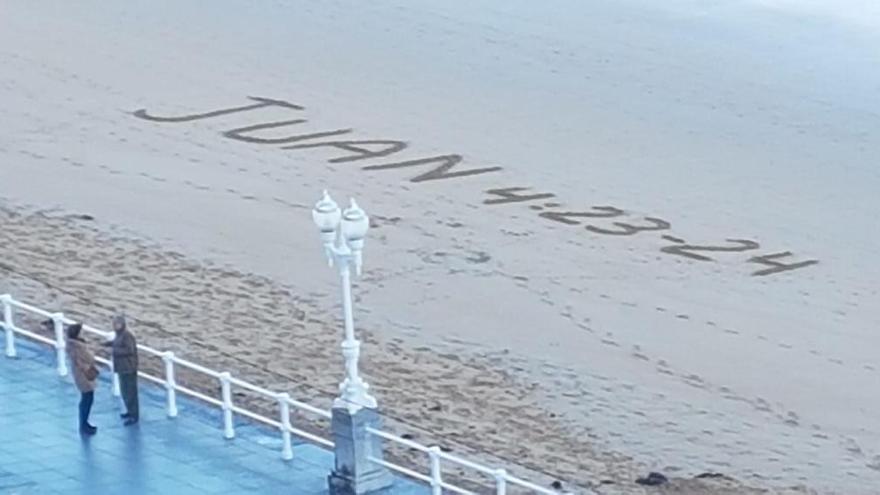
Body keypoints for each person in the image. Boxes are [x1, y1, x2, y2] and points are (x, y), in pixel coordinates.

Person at [65, 323, 98, 435]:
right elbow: (89, 358)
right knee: (87, 399)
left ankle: (84, 423)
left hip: (80, 374)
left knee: (86, 399)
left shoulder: (72, 345)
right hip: (84, 375)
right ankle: (84, 424)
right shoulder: (79, 347)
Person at [109, 314, 139, 425]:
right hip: (122, 368)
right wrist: (109, 344)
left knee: (130, 392)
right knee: (124, 391)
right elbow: (118, 344)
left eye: (116, 324)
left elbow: (129, 350)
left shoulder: (127, 336)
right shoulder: (119, 335)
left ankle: (134, 415)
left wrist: (114, 351)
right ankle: (129, 411)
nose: (114, 326)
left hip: (129, 368)